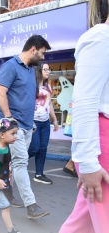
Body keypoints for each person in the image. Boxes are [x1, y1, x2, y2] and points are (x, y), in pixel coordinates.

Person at [60, 1, 109, 232]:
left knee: (82, 224)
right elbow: (84, 102)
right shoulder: (101, 36)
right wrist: (88, 163)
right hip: (102, 142)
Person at [0, 35, 51, 219]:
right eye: (42, 53)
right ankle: (31, 205)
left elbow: (26, 98)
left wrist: (32, 122)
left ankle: (4, 192)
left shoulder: (30, 70)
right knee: (20, 163)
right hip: (13, 126)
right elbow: (0, 92)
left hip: (28, 125)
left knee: (13, 162)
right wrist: (10, 120)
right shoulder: (10, 66)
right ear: (33, 49)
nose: (43, 58)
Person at [27, 62, 59, 185]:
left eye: (48, 69)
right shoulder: (32, 86)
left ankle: (39, 174)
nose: (48, 71)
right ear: (39, 71)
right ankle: (17, 162)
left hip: (45, 122)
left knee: (43, 148)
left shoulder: (48, 87)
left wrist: (55, 120)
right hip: (34, 121)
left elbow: (49, 104)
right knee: (34, 148)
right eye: (45, 69)